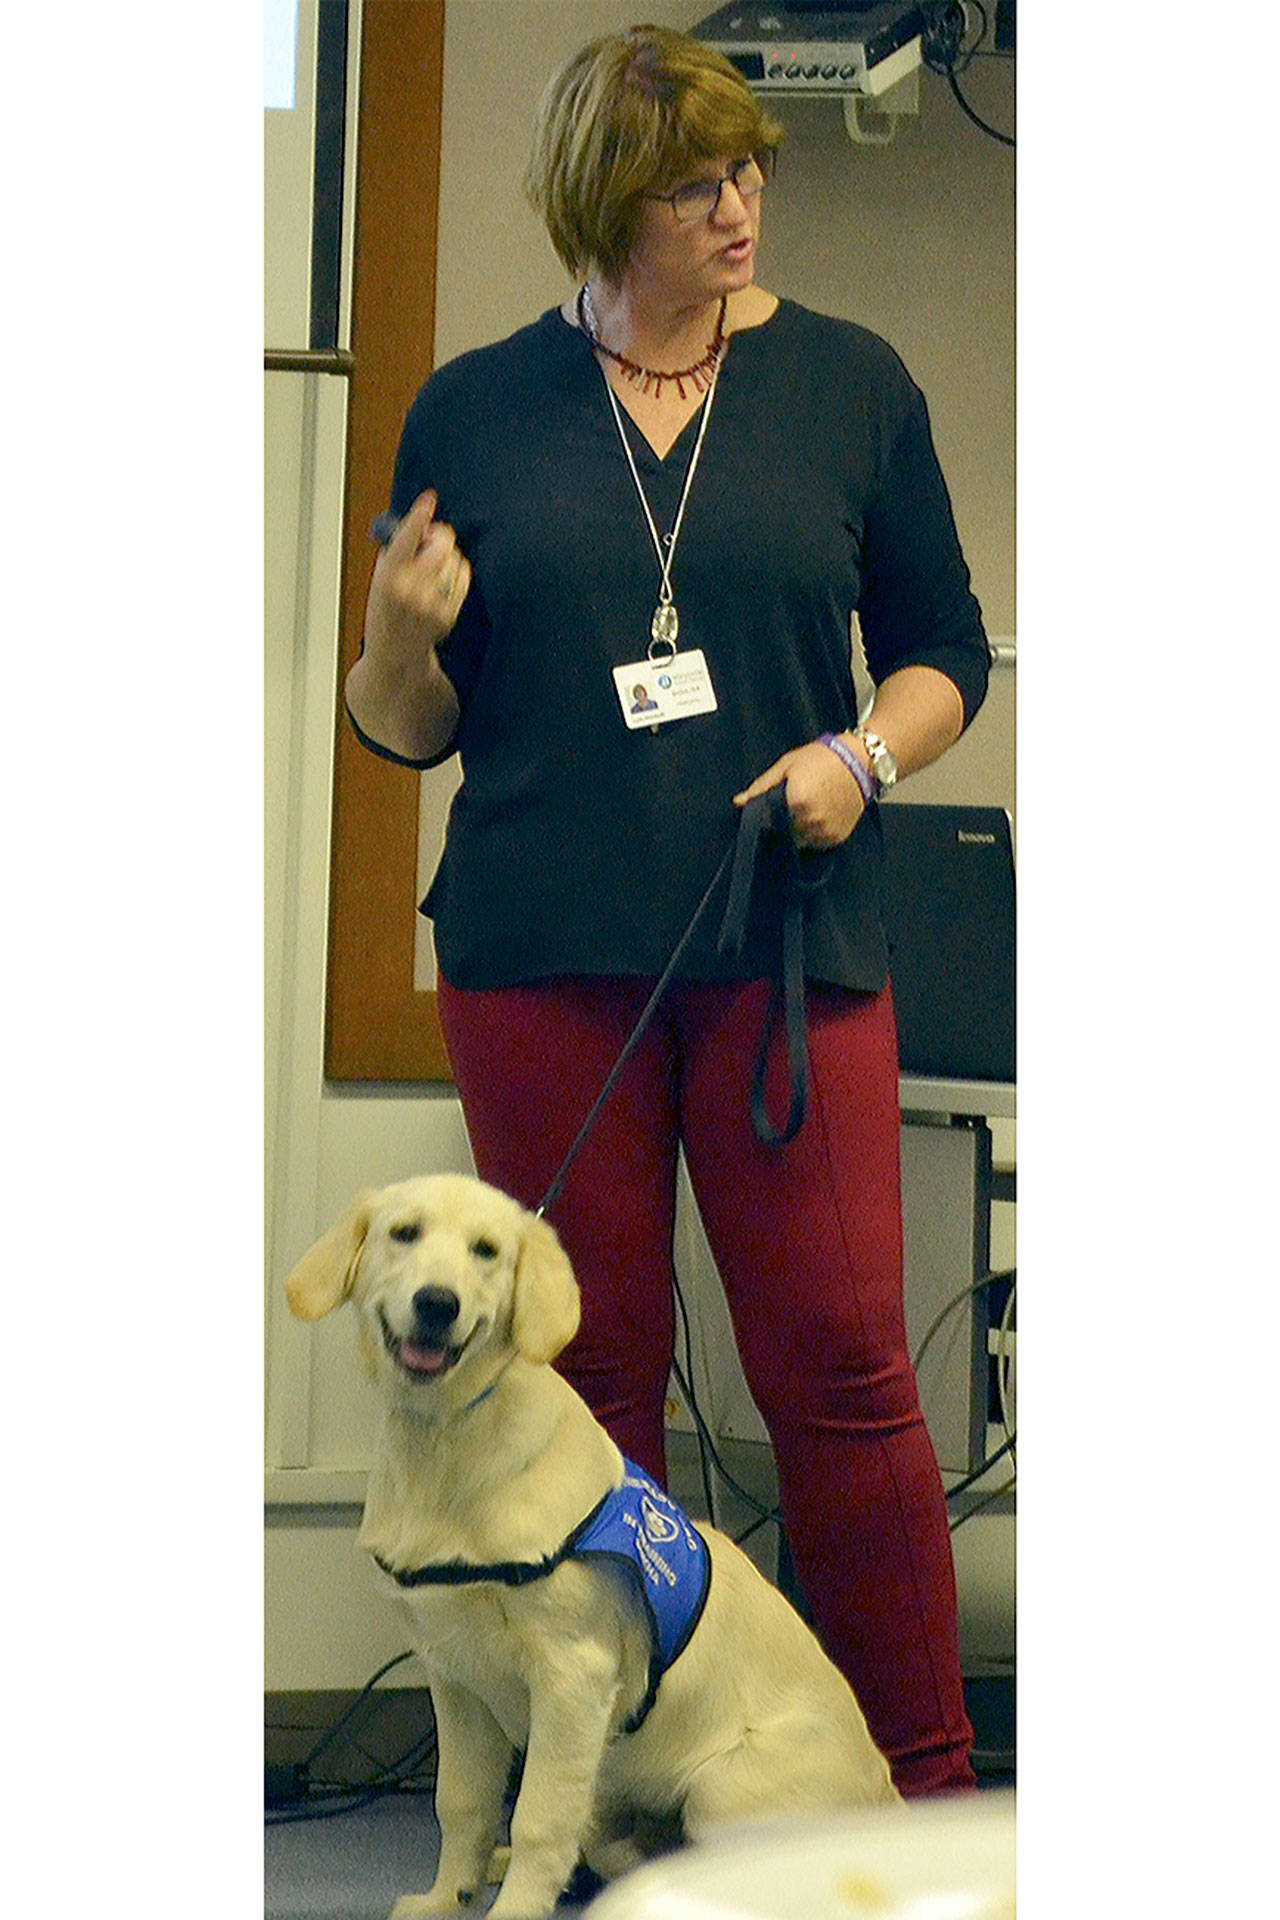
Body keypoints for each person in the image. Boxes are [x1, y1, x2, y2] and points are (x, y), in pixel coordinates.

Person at [346, 24, 991, 1798]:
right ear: (601, 208)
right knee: (591, 1383)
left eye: (748, 169)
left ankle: (920, 1786)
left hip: (788, 952)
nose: (741, 202)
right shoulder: (472, 408)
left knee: (843, 1371)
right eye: (697, 182)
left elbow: (946, 656)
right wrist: (401, 632)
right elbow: (406, 729)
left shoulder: (854, 383)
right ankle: (622, 1791)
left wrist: (864, 751)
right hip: (545, 965)